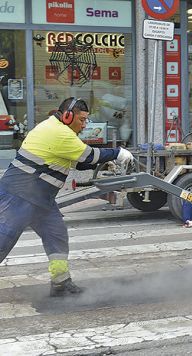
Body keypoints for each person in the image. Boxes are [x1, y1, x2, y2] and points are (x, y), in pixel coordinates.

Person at [0, 97, 134, 297]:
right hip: (20, 196)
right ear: (67, 116)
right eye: (82, 119)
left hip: (39, 198)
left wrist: (106, 161)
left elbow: (79, 163)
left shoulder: (55, 128)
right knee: (3, 241)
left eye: (87, 120)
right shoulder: (59, 133)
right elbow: (88, 156)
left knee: (57, 235)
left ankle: (61, 283)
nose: (84, 124)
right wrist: (118, 153)